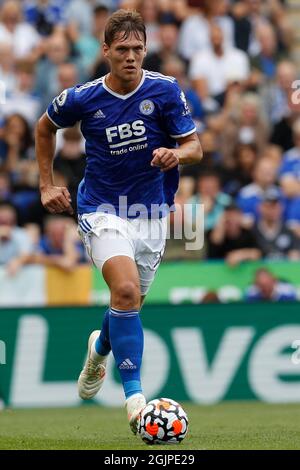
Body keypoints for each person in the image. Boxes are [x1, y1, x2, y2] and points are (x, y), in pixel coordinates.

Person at [35, 9, 202, 434]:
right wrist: (45, 184)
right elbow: (43, 127)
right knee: (124, 290)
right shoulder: (84, 97)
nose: (131, 57)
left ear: (146, 50)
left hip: (151, 214)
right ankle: (136, 401)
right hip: (102, 207)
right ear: (106, 50)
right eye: (123, 49)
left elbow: (195, 147)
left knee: (128, 303)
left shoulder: (165, 91)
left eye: (139, 49)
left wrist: (175, 155)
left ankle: (99, 350)